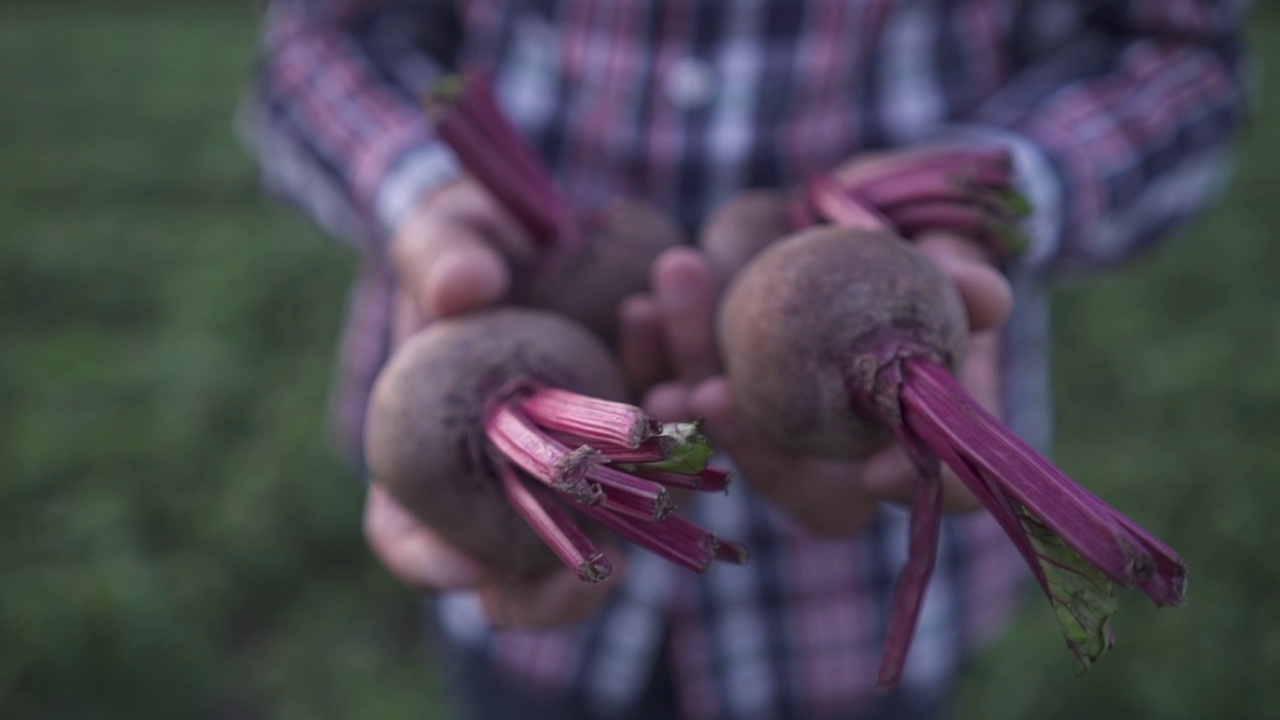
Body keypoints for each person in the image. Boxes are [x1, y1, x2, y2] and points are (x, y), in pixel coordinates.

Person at [240, 1, 1248, 717]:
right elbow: (317, 41)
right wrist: (422, 202)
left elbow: (1177, 52)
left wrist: (993, 192)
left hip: (854, 586)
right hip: (517, 482)